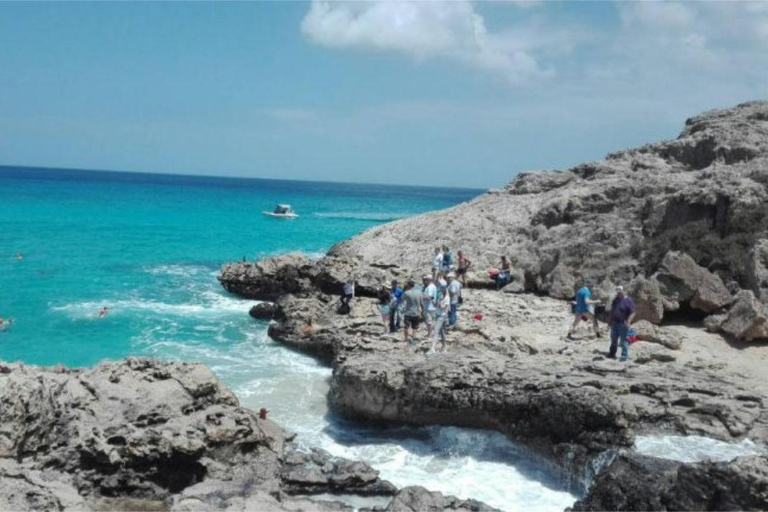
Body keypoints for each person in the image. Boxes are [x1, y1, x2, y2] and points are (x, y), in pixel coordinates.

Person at [608, 286, 636, 362]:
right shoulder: (616, 300)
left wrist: (629, 321)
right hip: (614, 323)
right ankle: (612, 353)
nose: (619, 294)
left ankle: (624, 357)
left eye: (620, 292)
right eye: (618, 292)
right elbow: (612, 310)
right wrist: (609, 320)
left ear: (624, 291)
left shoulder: (628, 301)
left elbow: (633, 312)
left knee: (624, 341)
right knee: (613, 339)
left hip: (623, 324)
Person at [429, 286, 451, 353]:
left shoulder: (447, 298)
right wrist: (432, 300)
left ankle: (432, 348)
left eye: (441, 291)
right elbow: (436, 305)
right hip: (439, 315)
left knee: (436, 331)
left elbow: (444, 307)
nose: (440, 292)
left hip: (442, 316)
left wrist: (439, 304)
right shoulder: (441, 297)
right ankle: (444, 347)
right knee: (442, 333)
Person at [402, 280, 423, 345]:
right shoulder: (419, 292)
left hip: (408, 312)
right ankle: (413, 337)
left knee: (406, 326)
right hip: (416, 312)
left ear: (408, 285)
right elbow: (421, 303)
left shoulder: (406, 293)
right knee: (415, 327)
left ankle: (406, 339)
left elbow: (402, 299)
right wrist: (422, 310)